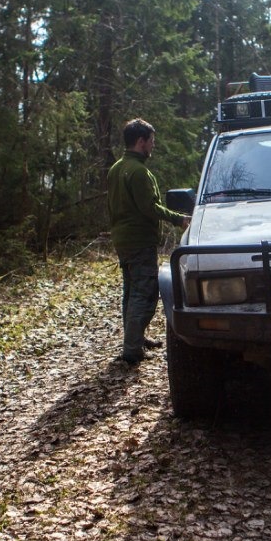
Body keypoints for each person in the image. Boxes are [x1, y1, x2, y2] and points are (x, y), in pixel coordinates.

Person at [107, 118, 190, 366]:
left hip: (123, 240)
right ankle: (132, 349)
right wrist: (179, 219)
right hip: (139, 240)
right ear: (141, 142)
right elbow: (149, 208)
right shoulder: (139, 172)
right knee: (144, 293)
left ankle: (135, 339)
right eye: (151, 141)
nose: (153, 145)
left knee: (131, 291)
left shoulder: (116, 169)